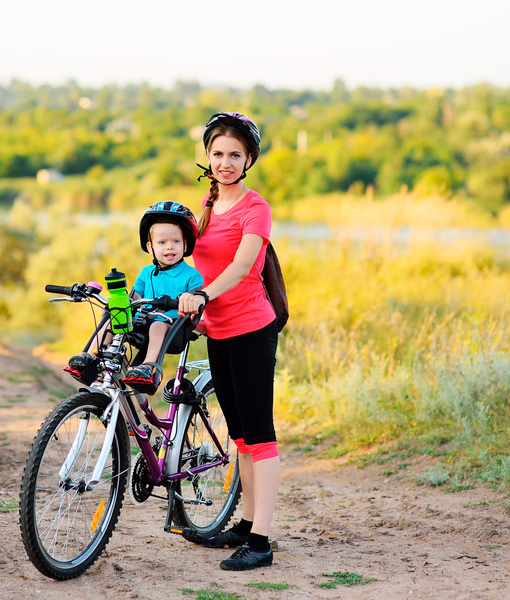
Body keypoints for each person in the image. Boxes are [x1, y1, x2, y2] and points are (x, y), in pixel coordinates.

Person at [177, 112, 280, 571]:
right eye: (217, 153)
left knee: (259, 437)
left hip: (252, 329)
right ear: (208, 156)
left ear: (249, 159)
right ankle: (244, 521)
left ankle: (261, 541)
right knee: (238, 436)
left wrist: (200, 295)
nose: (225, 162)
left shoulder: (255, 208)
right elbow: (192, 263)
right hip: (216, 329)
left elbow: (241, 267)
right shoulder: (207, 203)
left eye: (234, 155)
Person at [66, 201, 203, 391]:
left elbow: (196, 302)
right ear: (150, 247)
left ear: (185, 244)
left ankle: (148, 367)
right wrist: (118, 304)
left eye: (176, 242)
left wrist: (188, 301)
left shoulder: (192, 276)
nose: (169, 247)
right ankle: (88, 356)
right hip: (141, 322)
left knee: (157, 325)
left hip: (172, 327)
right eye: (162, 242)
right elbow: (133, 297)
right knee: (114, 318)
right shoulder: (146, 273)